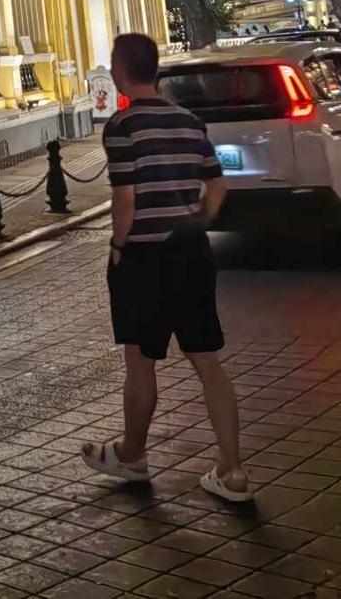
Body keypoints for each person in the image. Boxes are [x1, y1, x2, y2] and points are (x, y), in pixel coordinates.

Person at [82, 32, 251, 503]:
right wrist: (195, 223)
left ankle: (133, 455)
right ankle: (233, 471)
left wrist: (118, 247)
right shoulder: (189, 121)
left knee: (141, 360)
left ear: (120, 70)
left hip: (144, 257)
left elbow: (126, 198)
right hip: (191, 252)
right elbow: (217, 187)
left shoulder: (123, 125)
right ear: (154, 69)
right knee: (207, 361)